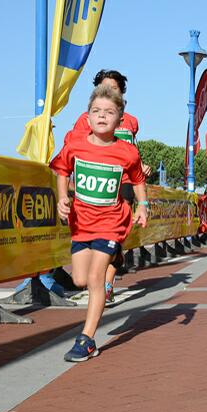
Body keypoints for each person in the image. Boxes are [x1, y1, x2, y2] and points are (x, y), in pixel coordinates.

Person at [51, 84, 148, 361]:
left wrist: (143, 206)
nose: (101, 116)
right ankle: (116, 255)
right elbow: (61, 170)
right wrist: (62, 198)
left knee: (96, 279)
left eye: (109, 112)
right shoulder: (75, 145)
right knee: (80, 279)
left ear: (120, 119)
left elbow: (138, 179)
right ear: (87, 117)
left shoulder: (127, 152)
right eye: (96, 111)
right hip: (81, 223)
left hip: (110, 222)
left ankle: (87, 339)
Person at [64, 70, 151, 303]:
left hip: (122, 183)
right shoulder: (86, 119)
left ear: (121, 93)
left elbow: (130, 150)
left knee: (113, 233)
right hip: (95, 186)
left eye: (114, 88)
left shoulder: (130, 121)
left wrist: (141, 166)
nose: (109, 91)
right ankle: (112, 257)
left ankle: (106, 283)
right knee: (85, 271)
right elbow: (75, 147)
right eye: (104, 87)